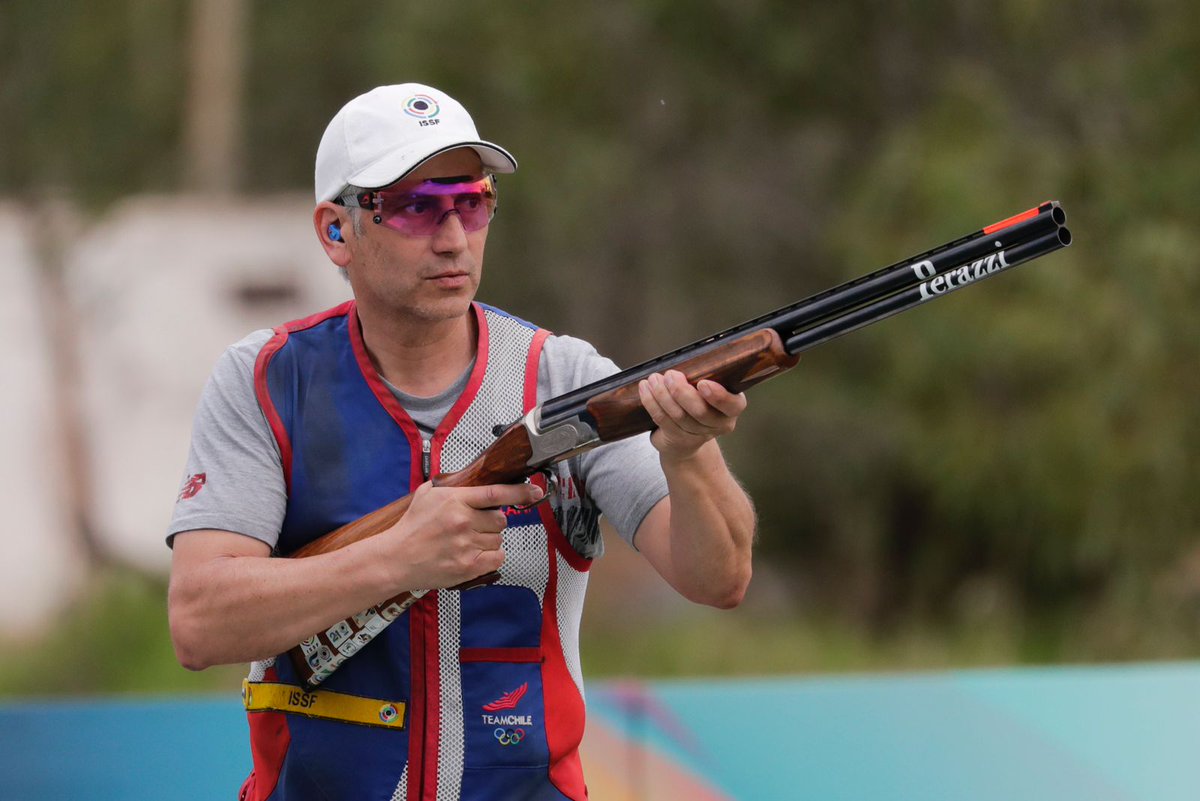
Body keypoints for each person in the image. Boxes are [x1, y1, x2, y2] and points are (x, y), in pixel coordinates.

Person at [167, 83, 756, 801]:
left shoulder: (563, 375)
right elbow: (198, 620)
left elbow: (717, 577)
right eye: (417, 206)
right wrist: (398, 557)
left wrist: (689, 452)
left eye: (471, 202)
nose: (452, 237)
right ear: (335, 230)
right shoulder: (266, 381)